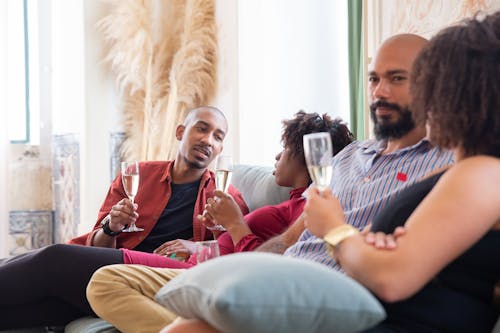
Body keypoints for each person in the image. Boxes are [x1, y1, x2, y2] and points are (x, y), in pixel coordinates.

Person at [86, 33, 455, 333]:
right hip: (280, 275)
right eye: (374, 78)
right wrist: (253, 267)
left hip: (334, 287)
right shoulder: (349, 157)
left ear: (431, 86)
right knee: (118, 289)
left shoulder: (444, 162)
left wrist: (331, 233)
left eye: (397, 78)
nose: (378, 92)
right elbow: (292, 237)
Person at [166, 11, 500, 333]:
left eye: (435, 86)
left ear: (464, 96)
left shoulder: (480, 173)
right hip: (351, 297)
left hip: (385, 317)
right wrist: (377, 240)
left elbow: (391, 278)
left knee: (190, 326)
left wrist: (336, 230)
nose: (427, 98)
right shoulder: (470, 173)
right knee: (191, 322)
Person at [0, 106, 250, 330]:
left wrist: (196, 246)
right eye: (202, 129)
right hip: (109, 274)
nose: (208, 140)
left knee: (55, 257)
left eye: (218, 137)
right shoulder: (138, 175)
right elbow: (98, 244)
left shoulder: (226, 197)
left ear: (220, 149)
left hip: (147, 280)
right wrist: (111, 228)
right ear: (180, 132)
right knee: (22, 310)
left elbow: (239, 257)